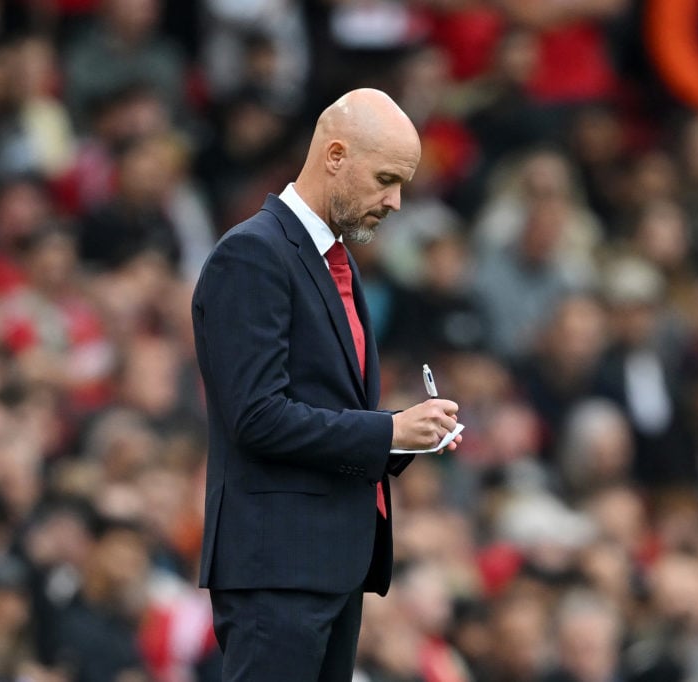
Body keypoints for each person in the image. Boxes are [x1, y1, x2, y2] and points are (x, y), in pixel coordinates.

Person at [190, 88, 461, 682]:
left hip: (329, 564)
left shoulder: (336, 258)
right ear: (335, 155)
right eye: (386, 179)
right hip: (277, 567)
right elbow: (257, 416)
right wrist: (388, 431)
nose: (395, 202)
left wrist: (408, 437)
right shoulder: (252, 255)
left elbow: (323, 409)